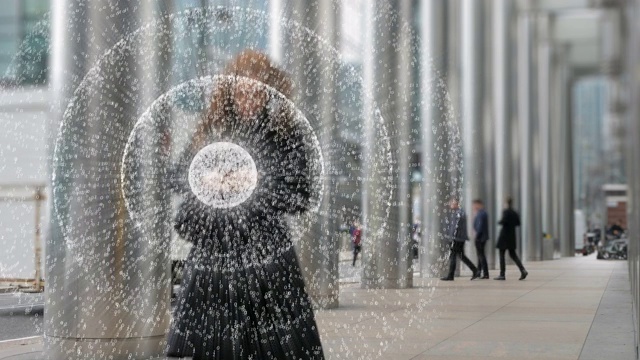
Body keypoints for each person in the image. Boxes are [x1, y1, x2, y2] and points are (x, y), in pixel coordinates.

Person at [167, 50, 324, 359]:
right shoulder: (211, 131)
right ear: (229, 91)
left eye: (257, 92)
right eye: (241, 91)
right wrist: (209, 180)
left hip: (266, 254)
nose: (248, 99)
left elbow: (301, 195)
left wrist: (254, 184)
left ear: (269, 92)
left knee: (275, 348)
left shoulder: (286, 131)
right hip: (216, 250)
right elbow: (177, 177)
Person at [441, 199, 480, 281]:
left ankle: (451, 275)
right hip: (460, 238)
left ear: (456, 204)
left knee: (453, 256)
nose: (450, 205)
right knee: (461, 256)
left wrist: (450, 237)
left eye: (452, 203)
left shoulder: (458, 213)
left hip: (457, 239)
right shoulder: (460, 212)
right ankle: (475, 270)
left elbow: (454, 227)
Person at [494, 196, 528, 281]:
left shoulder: (506, 211)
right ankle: (523, 270)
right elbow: (518, 223)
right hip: (512, 236)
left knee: (502, 254)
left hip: (504, 236)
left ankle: (502, 274)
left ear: (506, 203)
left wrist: (500, 221)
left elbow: (503, 221)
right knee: (513, 254)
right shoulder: (514, 212)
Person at [472, 199, 490, 279]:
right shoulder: (483, 213)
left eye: (475, 205)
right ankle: (478, 271)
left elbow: (480, 226)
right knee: (480, 255)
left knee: (481, 255)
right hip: (482, 237)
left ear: (479, 205)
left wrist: (477, 235)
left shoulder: (480, 214)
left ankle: (485, 273)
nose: (473, 207)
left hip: (480, 237)